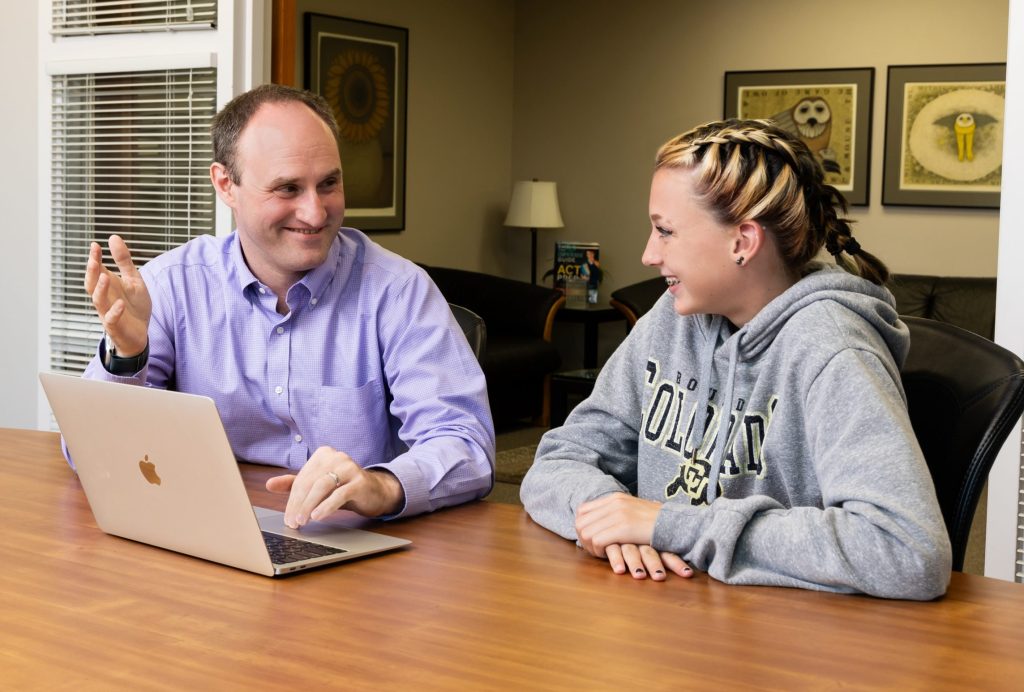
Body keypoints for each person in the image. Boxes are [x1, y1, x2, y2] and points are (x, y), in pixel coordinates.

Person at [520, 119, 951, 600]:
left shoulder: (832, 346)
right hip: (667, 610)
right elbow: (558, 459)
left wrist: (669, 526)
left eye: (665, 231)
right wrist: (605, 514)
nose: (647, 254)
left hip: (783, 644)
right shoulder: (675, 316)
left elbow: (907, 552)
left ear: (742, 242)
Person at [79, 84, 495, 525]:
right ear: (226, 184)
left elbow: (467, 446)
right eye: (288, 188)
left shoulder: (398, 291)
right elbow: (87, 450)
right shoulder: (170, 287)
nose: (315, 214)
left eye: (329, 183)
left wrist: (382, 485)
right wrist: (127, 359)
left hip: (362, 548)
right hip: (211, 531)